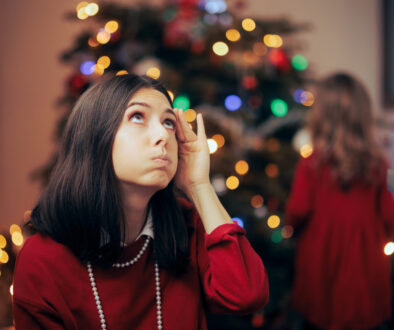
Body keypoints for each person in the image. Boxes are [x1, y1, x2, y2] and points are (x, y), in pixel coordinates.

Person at [12, 74, 269, 329]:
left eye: (168, 122)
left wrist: (199, 185)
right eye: (137, 116)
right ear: (95, 138)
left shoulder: (185, 226)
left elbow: (246, 295)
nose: (163, 136)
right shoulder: (43, 258)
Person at [285, 72, 394, 330]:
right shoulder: (380, 166)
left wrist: (291, 227)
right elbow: (390, 214)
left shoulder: (311, 164)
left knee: (319, 317)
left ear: (321, 116)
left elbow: (298, 210)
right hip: (365, 263)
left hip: (320, 259)